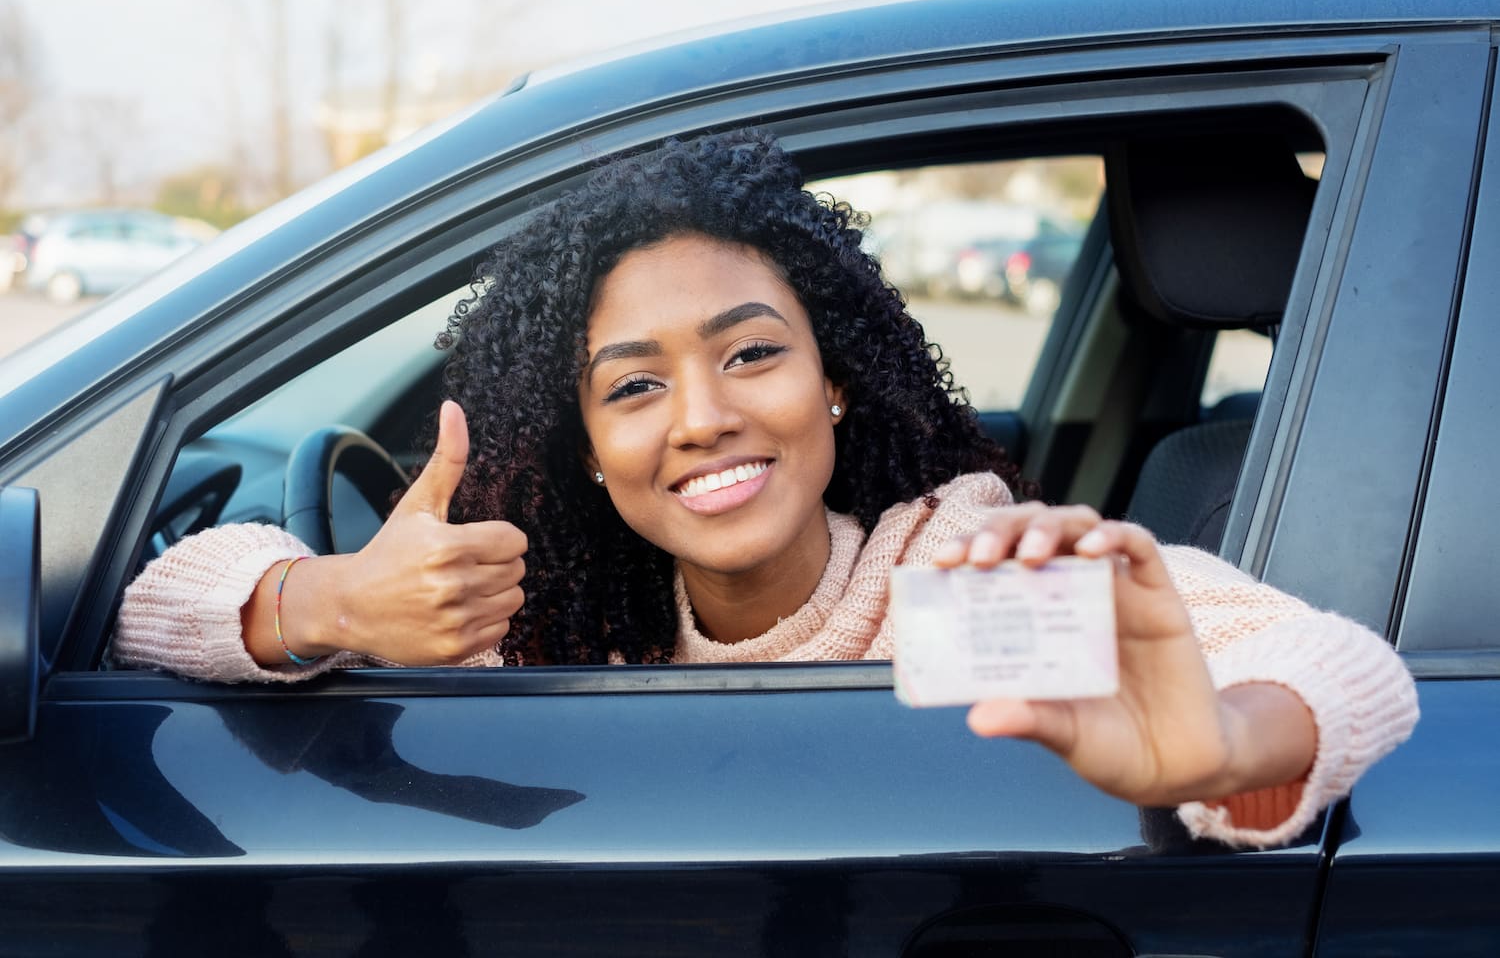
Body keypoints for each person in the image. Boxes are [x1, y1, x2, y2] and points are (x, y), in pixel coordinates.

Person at [115, 129, 1417, 849]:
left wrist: (1225, 746)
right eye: (632, 387)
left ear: (835, 381)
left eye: (751, 353)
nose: (704, 417)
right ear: (582, 442)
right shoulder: (527, 611)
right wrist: (333, 601)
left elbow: (1341, 662)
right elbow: (155, 603)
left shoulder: (960, 570)